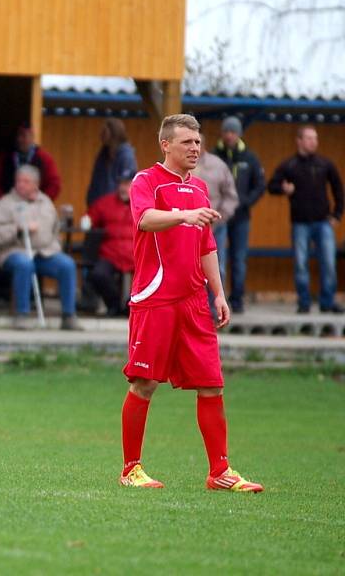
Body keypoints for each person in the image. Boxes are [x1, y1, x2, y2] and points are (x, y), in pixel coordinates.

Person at [120, 113, 263, 492]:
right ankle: (131, 469)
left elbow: (207, 246)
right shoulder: (146, 181)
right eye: (187, 142)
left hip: (194, 302)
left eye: (198, 143)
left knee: (212, 384)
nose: (195, 148)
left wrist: (218, 292)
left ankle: (220, 472)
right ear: (165, 144)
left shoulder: (200, 189)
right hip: (155, 298)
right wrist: (184, 215)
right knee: (144, 382)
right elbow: (145, 220)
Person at [0, 164, 78, 330]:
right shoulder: (6, 203)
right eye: (18, 181)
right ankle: (22, 314)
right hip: (14, 251)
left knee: (67, 265)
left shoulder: (46, 203)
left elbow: (56, 231)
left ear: (36, 184)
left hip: (45, 252)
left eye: (26, 181)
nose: (21, 184)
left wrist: (54, 246)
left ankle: (68, 315)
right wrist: (18, 229)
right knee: (24, 264)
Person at [268, 125, 343, 314]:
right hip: (299, 223)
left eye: (315, 138)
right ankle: (304, 302)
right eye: (309, 138)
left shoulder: (325, 164)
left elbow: (338, 189)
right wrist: (283, 189)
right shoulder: (290, 165)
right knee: (301, 263)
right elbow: (271, 185)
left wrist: (337, 214)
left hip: (323, 222)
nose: (313, 142)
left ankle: (327, 302)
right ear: (299, 141)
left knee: (328, 263)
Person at [212, 116, 265, 314]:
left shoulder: (249, 158)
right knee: (217, 260)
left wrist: (245, 203)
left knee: (239, 259)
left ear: (239, 134)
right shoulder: (214, 156)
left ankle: (237, 299)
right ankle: (218, 299)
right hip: (219, 217)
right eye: (226, 131)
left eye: (233, 132)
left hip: (241, 217)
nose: (229, 135)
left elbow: (259, 185)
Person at [194, 134, 239, 319]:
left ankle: (216, 308)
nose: (193, 148)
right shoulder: (181, 166)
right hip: (186, 225)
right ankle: (197, 307)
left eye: (196, 143)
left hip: (215, 226)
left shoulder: (218, 165)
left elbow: (231, 196)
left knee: (217, 267)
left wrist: (220, 217)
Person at [79, 174, 135, 317]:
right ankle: (114, 305)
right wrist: (86, 222)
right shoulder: (105, 203)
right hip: (111, 254)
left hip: (137, 255)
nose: (124, 188)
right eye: (122, 184)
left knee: (151, 277)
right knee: (98, 274)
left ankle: (130, 307)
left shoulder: (144, 203)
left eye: (128, 184)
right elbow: (89, 218)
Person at [0, 123, 61, 201]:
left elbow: (54, 184)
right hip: (9, 204)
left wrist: (40, 200)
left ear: (32, 137)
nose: (19, 139)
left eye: (24, 136)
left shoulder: (44, 158)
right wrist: (4, 199)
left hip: (35, 205)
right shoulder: (4, 158)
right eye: (18, 135)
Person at [85, 118, 138, 207]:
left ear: (114, 133)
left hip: (116, 208)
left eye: (105, 132)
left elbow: (127, 186)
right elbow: (96, 180)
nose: (101, 135)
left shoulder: (126, 156)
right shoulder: (103, 155)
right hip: (98, 205)